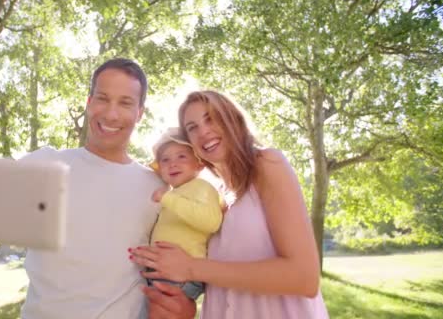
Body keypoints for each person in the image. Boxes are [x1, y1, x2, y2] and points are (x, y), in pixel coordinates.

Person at [0, 58, 196, 319]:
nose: (111, 113)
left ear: (139, 113)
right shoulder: (43, 165)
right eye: (102, 98)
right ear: (88, 102)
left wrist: (183, 305)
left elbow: (180, 261)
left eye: (125, 103)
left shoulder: (159, 187)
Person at [130, 90, 329, 318]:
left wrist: (191, 267)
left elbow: (304, 277)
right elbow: (225, 277)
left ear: (233, 119)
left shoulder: (267, 164)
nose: (203, 131)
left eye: (211, 118)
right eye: (192, 128)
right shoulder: (217, 195)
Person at [142, 127, 222, 300]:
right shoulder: (172, 193)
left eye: (182, 156)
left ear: (199, 163)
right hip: (160, 271)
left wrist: (169, 199)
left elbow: (211, 222)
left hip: (180, 275)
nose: (173, 163)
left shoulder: (202, 187)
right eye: (165, 160)